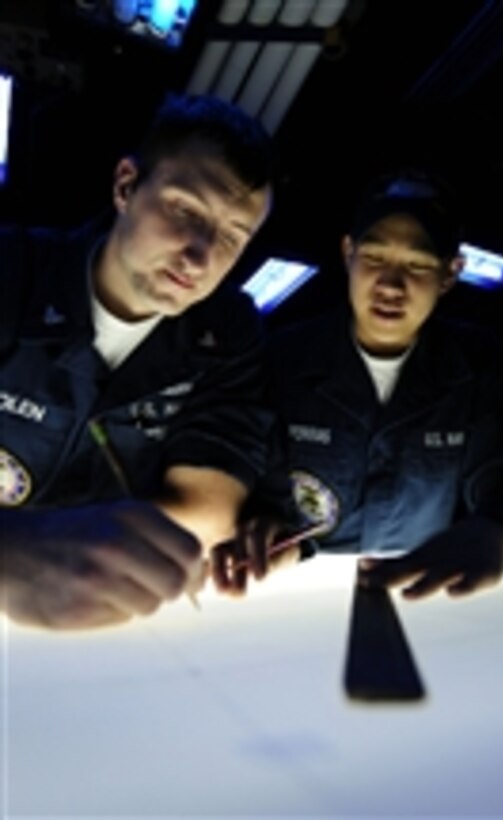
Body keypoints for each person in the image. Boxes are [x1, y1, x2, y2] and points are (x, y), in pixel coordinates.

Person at [0, 92, 280, 629]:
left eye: (230, 237)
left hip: (115, 621)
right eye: (184, 210)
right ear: (126, 185)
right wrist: (13, 550)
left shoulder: (228, 333)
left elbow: (210, 510)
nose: (199, 255)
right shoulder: (10, 269)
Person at [260, 168, 503, 598]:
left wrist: (500, 528)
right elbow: (252, 480)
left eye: (417, 264)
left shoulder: (481, 366)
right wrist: (268, 529)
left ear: (451, 273)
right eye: (375, 258)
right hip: (298, 595)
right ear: (348, 254)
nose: (391, 285)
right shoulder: (283, 358)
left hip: (426, 594)